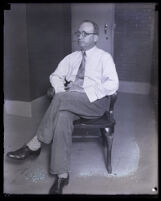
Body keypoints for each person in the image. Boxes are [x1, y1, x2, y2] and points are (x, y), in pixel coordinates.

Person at [6, 20, 119, 194]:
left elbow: (113, 84)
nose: (80, 36)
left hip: (95, 102)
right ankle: (62, 175)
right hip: (69, 100)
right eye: (78, 33)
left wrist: (84, 89)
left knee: (61, 100)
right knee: (62, 117)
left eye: (85, 34)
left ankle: (35, 144)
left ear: (95, 38)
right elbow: (56, 76)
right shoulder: (72, 57)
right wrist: (62, 91)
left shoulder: (104, 57)